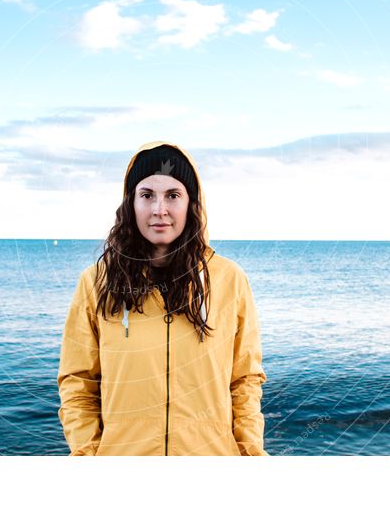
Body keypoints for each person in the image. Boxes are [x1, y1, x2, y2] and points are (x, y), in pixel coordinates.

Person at [57, 141, 267, 456]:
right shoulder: (96, 282)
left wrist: (250, 454)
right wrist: (90, 456)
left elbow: (245, 381)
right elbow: (78, 382)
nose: (159, 210)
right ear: (131, 203)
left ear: (191, 204)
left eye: (172, 195)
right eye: (147, 196)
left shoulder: (229, 279)